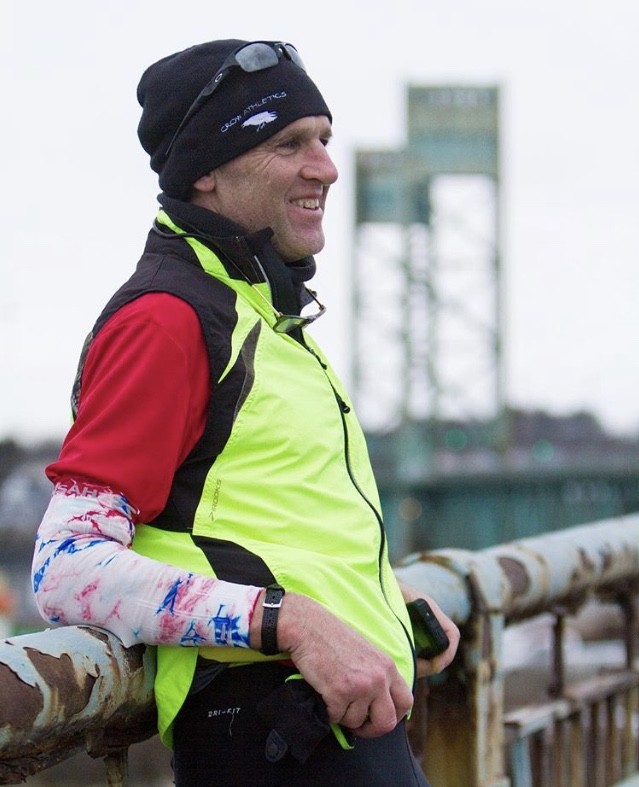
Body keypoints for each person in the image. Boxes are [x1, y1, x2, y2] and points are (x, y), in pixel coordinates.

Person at [31, 39, 459, 786]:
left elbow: (255, 518)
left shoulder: (261, 316)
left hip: (325, 733)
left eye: (324, 139)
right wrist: (291, 620)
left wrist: (378, 589)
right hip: (269, 736)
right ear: (206, 169)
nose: (325, 167)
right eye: (288, 144)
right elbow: (66, 568)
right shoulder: (166, 321)